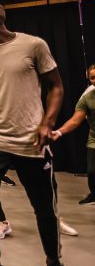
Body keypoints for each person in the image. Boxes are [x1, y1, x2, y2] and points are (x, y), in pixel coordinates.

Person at [0, 1, 81, 266]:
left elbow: (56, 86)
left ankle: (54, 263)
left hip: (30, 142)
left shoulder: (33, 46)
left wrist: (47, 123)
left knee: (44, 207)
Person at [51, 64, 95, 205]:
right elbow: (76, 120)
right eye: (93, 78)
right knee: (92, 171)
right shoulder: (87, 98)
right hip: (94, 139)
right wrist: (59, 132)